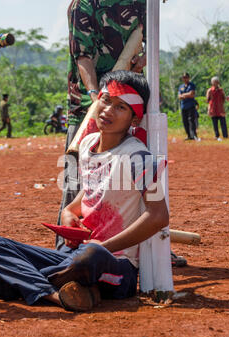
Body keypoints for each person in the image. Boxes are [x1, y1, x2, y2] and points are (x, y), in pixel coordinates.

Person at [0, 71, 169, 312]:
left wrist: (104, 247)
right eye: (106, 100)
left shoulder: (137, 157)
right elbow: (87, 196)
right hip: (73, 257)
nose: (108, 110)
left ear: (134, 119)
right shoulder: (88, 145)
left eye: (121, 107)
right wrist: (69, 212)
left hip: (113, 265)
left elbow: (159, 215)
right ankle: (57, 295)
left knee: (89, 257)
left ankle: (18, 284)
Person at [58, 0, 147, 223]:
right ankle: (67, 244)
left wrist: (141, 61)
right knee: (76, 175)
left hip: (129, 104)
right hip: (89, 105)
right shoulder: (84, 5)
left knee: (134, 175)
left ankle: (147, 246)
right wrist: (97, 98)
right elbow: (83, 57)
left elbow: (147, 41)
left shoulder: (141, 3)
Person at [206, 77, 228, 141]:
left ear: (218, 82)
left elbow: (224, 98)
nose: (215, 83)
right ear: (212, 83)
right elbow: (208, 100)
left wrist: (221, 104)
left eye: (216, 82)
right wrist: (209, 109)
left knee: (223, 123)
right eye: (214, 82)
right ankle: (217, 135)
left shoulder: (221, 90)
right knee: (215, 124)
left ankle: (225, 135)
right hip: (213, 109)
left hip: (220, 109)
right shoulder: (210, 90)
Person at [178, 73, 198, 141]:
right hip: (183, 106)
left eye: (186, 77)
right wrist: (186, 95)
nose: (185, 79)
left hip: (191, 106)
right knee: (185, 121)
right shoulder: (181, 86)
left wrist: (183, 95)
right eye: (183, 77)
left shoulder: (191, 85)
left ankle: (194, 135)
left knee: (191, 121)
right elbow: (179, 96)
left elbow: (192, 94)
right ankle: (189, 135)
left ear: (189, 78)